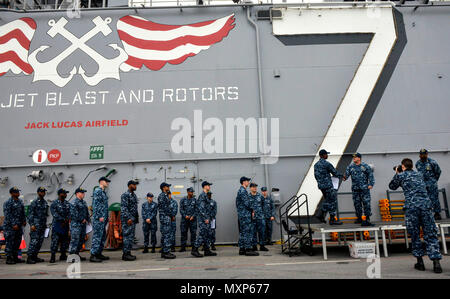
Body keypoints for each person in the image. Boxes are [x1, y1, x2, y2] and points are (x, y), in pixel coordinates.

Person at [389, 158, 442, 273]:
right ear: (412, 166)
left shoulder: (401, 175)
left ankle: (420, 262)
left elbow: (392, 186)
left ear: (403, 166)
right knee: (431, 233)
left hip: (412, 208)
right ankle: (436, 263)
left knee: (415, 234)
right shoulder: (420, 174)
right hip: (426, 207)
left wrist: (398, 173)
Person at [343, 153, 375, 226]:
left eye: (355, 157)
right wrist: (342, 177)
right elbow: (346, 176)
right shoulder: (350, 167)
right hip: (355, 189)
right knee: (357, 204)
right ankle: (359, 218)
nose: (354, 158)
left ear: (359, 158)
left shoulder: (365, 166)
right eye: (353, 157)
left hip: (364, 189)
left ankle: (367, 218)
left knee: (366, 203)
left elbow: (371, 176)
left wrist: (371, 184)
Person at [314, 149, 343, 225]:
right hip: (328, 185)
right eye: (326, 154)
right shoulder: (327, 164)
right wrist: (343, 176)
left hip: (321, 186)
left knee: (328, 200)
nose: (327, 155)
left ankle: (323, 216)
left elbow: (316, 176)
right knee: (333, 201)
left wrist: (321, 182)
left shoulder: (316, 165)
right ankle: (323, 215)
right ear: (323, 155)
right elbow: (335, 173)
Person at [192, 181, 216, 257]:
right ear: (205, 186)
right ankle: (194, 249)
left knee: (207, 235)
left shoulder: (205, 195)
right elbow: (201, 208)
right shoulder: (202, 196)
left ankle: (207, 250)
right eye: (208, 185)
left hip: (207, 218)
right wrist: (205, 218)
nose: (209, 187)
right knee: (202, 234)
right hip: (203, 219)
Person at [416, 149, 442, 220]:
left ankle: (437, 213)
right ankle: (426, 214)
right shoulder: (417, 163)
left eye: (424, 154)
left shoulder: (432, 162)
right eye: (421, 154)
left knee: (434, 198)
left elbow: (438, 172)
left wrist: (433, 180)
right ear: (419, 155)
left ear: (427, 154)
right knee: (423, 199)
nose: (423, 155)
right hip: (422, 184)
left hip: (431, 183)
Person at [90, 176, 111, 263]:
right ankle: (93, 255)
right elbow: (96, 205)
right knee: (97, 236)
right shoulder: (98, 191)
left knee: (102, 236)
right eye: (106, 181)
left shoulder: (103, 192)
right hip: (99, 219)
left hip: (103, 218)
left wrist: (106, 216)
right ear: (101, 182)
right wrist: (99, 216)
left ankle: (98, 253)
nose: (108, 183)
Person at [236, 176, 258, 256]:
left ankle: (242, 249)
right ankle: (248, 249)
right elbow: (247, 203)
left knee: (242, 232)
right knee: (247, 231)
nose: (248, 182)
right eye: (247, 181)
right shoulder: (243, 191)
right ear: (244, 182)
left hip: (242, 214)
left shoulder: (241, 190)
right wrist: (252, 210)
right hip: (245, 215)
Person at [3, 187, 26, 265]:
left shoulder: (20, 202)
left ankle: (15, 257)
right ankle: (9, 258)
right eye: (16, 192)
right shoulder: (8, 202)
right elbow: (7, 215)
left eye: (18, 192)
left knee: (17, 242)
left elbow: (23, 212)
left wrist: (24, 221)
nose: (18, 193)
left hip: (19, 226)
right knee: (10, 242)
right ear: (12, 193)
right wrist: (13, 224)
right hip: (10, 227)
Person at [27, 187, 49, 264]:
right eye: (41, 192)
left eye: (44, 192)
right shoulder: (34, 202)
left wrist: (45, 224)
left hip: (42, 226)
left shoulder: (45, 202)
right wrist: (32, 224)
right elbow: (30, 215)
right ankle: (29, 257)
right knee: (34, 241)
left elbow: (45, 215)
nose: (43, 193)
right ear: (38, 192)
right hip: (35, 226)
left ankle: (35, 256)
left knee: (39, 242)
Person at [50, 188, 70, 263]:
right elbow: (54, 214)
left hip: (65, 225)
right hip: (57, 225)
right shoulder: (54, 203)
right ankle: (53, 256)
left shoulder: (67, 203)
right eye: (64, 193)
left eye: (66, 193)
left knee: (64, 241)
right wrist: (62, 219)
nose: (65, 195)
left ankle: (63, 255)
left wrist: (66, 220)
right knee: (55, 241)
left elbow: (70, 213)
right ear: (60, 194)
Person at [68, 188, 89, 262]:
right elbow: (73, 214)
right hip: (76, 225)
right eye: (82, 192)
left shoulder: (84, 202)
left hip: (83, 225)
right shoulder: (73, 203)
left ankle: (76, 255)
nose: (83, 194)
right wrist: (81, 219)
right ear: (77, 193)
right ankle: (71, 256)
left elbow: (86, 212)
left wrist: (87, 219)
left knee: (81, 240)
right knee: (74, 240)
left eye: (84, 193)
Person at [121, 180, 139, 261]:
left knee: (130, 237)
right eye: (134, 185)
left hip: (133, 220)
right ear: (130, 185)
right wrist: (128, 218)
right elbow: (124, 208)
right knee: (127, 236)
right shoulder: (125, 195)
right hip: (128, 220)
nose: (135, 186)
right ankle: (125, 254)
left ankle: (128, 252)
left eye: (136, 185)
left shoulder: (134, 195)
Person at [158, 182, 176, 259]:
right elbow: (165, 208)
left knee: (166, 234)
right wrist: (171, 215)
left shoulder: (165, 196)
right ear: (163, 187)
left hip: (166, 217)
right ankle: (166, 252)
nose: (168, 187)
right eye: (167, 186)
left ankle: (165, 251)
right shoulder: (162, 196)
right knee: (166, 235)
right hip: (165, 217)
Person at [249, 183, 268, 252]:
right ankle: (254, 246)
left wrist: (262, 214)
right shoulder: (248, 197)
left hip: (260, 217)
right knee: (253, 232)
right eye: (253, 187)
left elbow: (263, 205)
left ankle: (262, 246)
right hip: (252, 218)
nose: (255, 188)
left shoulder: (260, 196)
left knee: (262, 232)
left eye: (256, 187)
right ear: (250, 188)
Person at [179, 187, 197, 252]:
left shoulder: (195, 200)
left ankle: (194, 247)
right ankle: (183, 247)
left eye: (192, 192)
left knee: (193, 234)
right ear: (188, 192)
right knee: (183, 233)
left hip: (193, 220)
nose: (192, 193)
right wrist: (185, 215)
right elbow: (181, 209)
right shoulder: (183, 200)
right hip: (184, 220)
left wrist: (193, 216)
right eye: (191, 192)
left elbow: (197, 209)